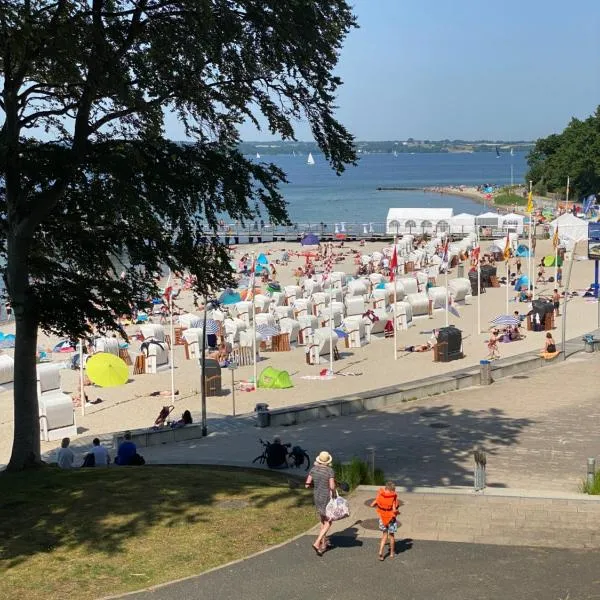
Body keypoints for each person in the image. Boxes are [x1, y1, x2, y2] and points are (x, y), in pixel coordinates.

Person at [305, 450, 336, 557]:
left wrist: (316, 484)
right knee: (329, 521)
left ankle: (324, 544)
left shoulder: (313, 470)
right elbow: (332, 487)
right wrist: (334, 493)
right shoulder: (329, 471)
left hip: (317, 496)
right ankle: (317, 542)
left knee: (323, 520)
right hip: (326, 497)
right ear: (327, 461)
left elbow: (307, 485)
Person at [370, 481, 400, 561]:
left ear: (386, 487)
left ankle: (380, 552)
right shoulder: (393, 497)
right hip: (391, 519)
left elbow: (372, 505)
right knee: (391, 536)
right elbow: (394, 509)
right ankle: (392, 553)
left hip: (382, 518)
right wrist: (397, 512)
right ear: (392, 489)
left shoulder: (380, 495)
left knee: (384, 536)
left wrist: (380, 507)